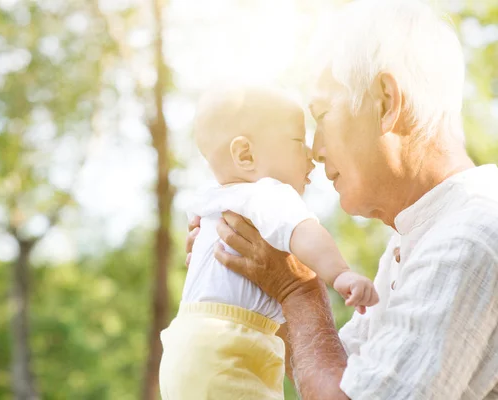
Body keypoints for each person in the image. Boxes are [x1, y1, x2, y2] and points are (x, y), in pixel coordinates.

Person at [186, 1, 498, 399]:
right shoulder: (418, 240)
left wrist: (298, 289)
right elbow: (335, 370)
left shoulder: (469, 238)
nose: (315, 149)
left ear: (385, 102)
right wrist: (246, 279)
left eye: (322, 114)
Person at [159, 87, 378, 400]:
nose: (311, 154)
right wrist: (340, 273)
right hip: (231, 345)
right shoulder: (268, 193)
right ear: (246, 155)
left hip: (185, 344)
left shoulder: (211, 198)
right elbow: (305, 232)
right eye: (297, 140)